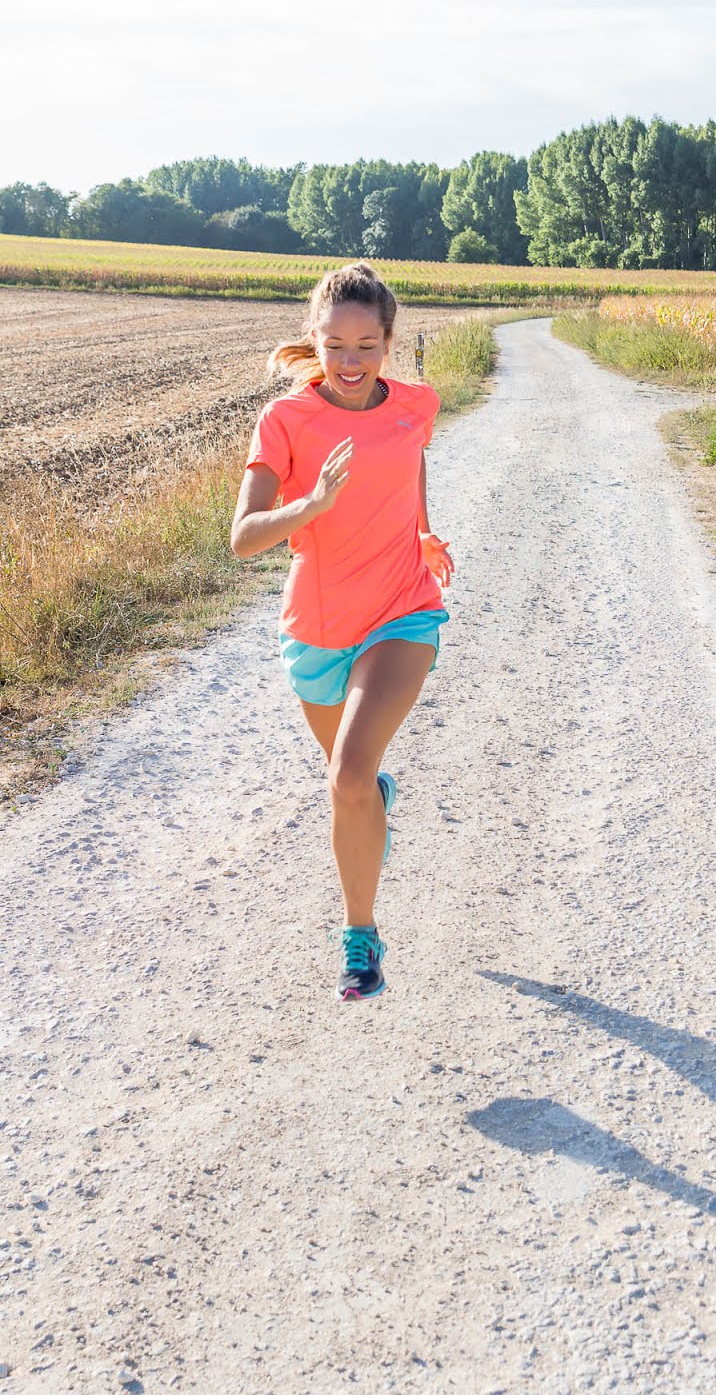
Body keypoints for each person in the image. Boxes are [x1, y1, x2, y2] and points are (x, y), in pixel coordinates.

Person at [231, 261, 454, 1001]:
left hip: (402, 609)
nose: (350, 361)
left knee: (349, 776)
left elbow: (410, 463)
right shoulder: (286, 420)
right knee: (353, 786)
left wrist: (422, 533)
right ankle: (373, 798)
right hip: (318, 628)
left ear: (388, 341)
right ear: (314, 342)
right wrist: (312, 506)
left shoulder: (415, 403)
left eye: (365, 345)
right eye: (334, 346)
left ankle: (361, 940)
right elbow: (244, 538)